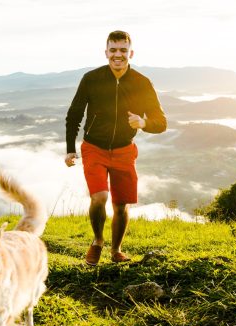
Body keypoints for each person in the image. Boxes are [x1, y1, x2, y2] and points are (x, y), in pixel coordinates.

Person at [65, 30, 167, 266]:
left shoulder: (142, 83)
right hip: (94, 148)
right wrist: (70, 147)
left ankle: (116, 250)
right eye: (113, 50)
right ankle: (98, 241)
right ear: (106, 52)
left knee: (120, 205)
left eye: (122, 50)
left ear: (130, 53)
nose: (117, 55)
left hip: (124, 150)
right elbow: (75, 114)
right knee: (99, 197)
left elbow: (161, 122)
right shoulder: (91, 79)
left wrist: (143, 123)